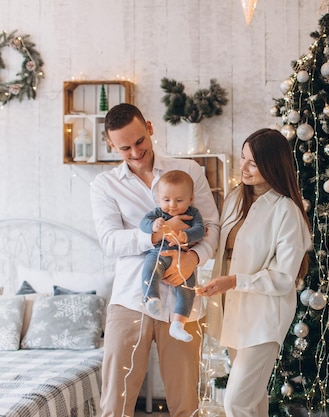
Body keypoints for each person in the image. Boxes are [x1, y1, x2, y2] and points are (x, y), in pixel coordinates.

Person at [90, 103, 220, 417]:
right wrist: (155, 235)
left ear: (149, 127)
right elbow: (109, 241)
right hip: (131, 298)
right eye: (124, 147)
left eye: (139, 141)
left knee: (185, 401)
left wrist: (194, 258)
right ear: (112, 146)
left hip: (181, 300)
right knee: (115, 402)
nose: (135, 152)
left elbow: (212, 226)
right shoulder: (105, 186)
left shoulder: (189, 170)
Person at [196, 128, 311, 417]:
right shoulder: (236, 198)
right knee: (254, 399)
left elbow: (285, 277)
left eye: (253, 163)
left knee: (235, 402)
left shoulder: (286, 211)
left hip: (264, 318)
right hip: (234, 311)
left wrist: (234, 281)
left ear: (272, 165)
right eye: (243, 158)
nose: (243, 168)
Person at [140, 170, 205, 343]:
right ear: (158, 199)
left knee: (188, 290)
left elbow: (201, 230)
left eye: (179, 200)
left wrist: (187, 236)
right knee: (149, 270)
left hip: (183, 258)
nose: (172, 205)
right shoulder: (158, 214)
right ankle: (152, 298)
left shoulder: (193, 214)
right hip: (159, 253)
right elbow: (143, 223)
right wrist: (154, 225)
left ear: (190, 199)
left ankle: (178, 324)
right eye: (166, 200)